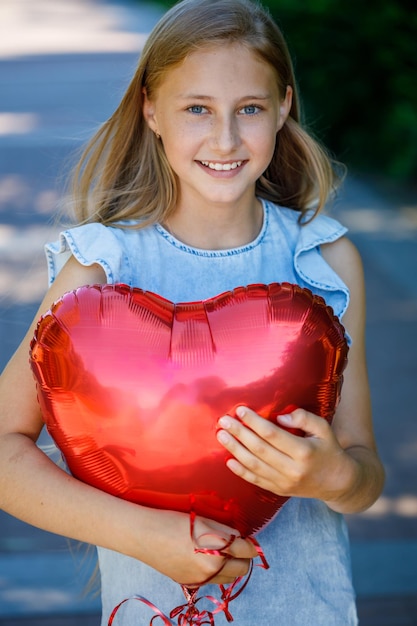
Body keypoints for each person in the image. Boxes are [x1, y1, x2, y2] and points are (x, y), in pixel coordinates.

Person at [0, 0, 384, 624]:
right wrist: (143, 535)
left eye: (250, 110)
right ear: (151, 109)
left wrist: (334, 477)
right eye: (197, 109)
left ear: (283, 106)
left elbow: (364, 470)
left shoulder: (326, 262)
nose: (226, 139)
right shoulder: (101, 267)